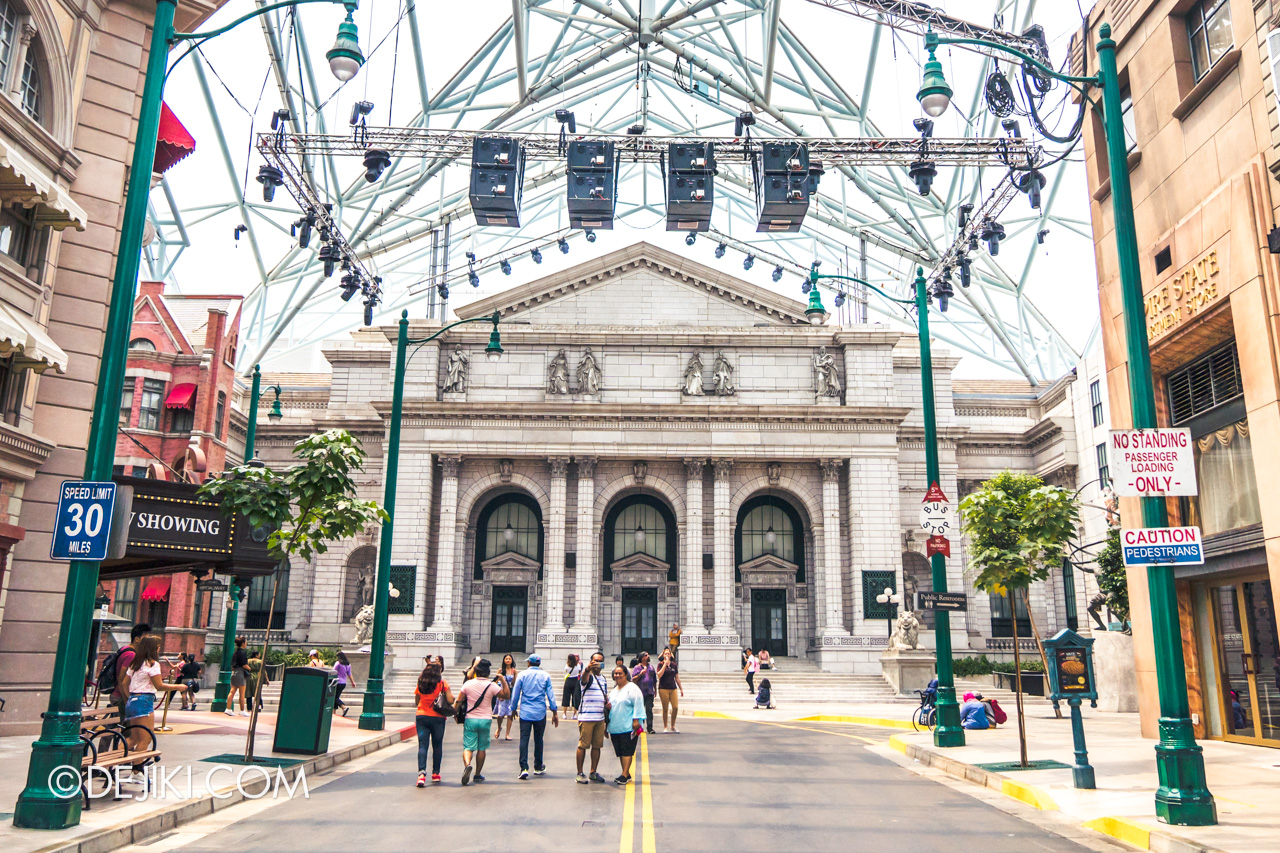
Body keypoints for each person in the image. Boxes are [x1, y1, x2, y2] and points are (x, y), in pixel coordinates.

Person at [123, 635, 186, 753]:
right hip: (144, 700)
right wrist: (178, 687)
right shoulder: (153, 664)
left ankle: (111, 764)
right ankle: (137, 769)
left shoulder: (135, 663)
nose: (158, 650)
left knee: (133, 738)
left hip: (132, 700)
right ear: (152, 649)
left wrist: (130, 697)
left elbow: (124, 682)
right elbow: (159, 686)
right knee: (146, 739)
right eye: (157, 647)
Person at [455, 659, 508, 785]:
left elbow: (458, 700)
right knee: (481, 748)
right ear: (488, 673)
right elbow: (506, 695)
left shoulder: (468, 684)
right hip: (485, 720)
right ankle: (477, 774)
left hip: (470, 718)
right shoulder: (492, 685)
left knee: (468, 747)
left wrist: (455, 712)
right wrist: (502, 680)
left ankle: (467, 765)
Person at [510, 653, 559, 779]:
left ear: (528, 663)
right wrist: (554, 711)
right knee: (539, 739)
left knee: (524, 739)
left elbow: (515, 694)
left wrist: (513, 709)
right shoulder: (545, 676)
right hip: (540, 712)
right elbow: (550, 695)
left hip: (526, 712)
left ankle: (524, 767)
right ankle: (538, 766)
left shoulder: (522, 675)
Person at [413, 661, 454, 786]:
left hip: (422, 716)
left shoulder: (421, 683)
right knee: (437, 745)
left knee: (422, 745)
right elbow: (450, 700)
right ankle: (435, 773)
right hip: (438, 717)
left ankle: (421, 774)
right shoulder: (442, 683)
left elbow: (416, 701)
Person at [575, 652, 611, 784]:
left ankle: (593, 772)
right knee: (583, 745)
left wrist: (607, 703)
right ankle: (579, 773)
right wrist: (587, 669)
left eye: (600, 661)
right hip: (587, 717)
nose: (597, 663)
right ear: (591, 662)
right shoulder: (588, 677)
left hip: (599, 717)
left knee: (597, 746)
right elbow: (583, 679)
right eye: (595, 661)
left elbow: (605, 696)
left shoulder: (603, 679)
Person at [606, 664, 645, 785]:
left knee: (627, 750)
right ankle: (626, 773)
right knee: (620, 752)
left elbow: (638, 704)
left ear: (626, 674)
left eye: (620, 673)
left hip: (628, 726)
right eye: (615, 674)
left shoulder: (632, 688)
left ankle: (624, 774)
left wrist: (636, 720)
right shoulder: (613, 691)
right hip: (615, 726)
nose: (617, 675)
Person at [106, 622, 151, 720]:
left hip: (118, 695)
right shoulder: (131, 655)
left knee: (118, 729)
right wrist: (127, 700)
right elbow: (122, 679)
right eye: (145, 638)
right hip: (121, 696)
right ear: (137, 639)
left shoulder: (124, 649)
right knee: (123, 729)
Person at [630, 651, 658, 734]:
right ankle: (640, 727)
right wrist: (640, 674)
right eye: (646, 655)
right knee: (640, 710)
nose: (648, 656)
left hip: (649, 692)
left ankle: (650, 727)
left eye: (648, 655)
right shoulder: (637, 668)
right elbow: (633, 680)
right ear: (642, 658)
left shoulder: (651, 667)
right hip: (640, 692)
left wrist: (655, 689)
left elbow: (654, 680)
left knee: (649, 710)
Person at [656, 648, 683, 733]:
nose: (667, 655)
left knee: (675, 707)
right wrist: (665, 665)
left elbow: (677, 678)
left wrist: (681, 688)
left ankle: (673, 725)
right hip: (663, 688)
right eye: (665, 654)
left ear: (671, 655)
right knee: (665, 708)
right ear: (663, 655)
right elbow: (659, 675)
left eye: (668, 654)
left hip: (673, 687)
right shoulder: (660, 664)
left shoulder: (674, 665)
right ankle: (665, 726)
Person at [493, 654, 518, 740]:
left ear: (512, 660)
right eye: (506, 659)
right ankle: (499, 727)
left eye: (509, 659)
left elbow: (514, 684)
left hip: (510, 693)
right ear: (504, 660)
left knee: (510, 714)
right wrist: (499, 693)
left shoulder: (513, 671)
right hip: (502, 693)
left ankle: (507, 733)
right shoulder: (500, 670)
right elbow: (495, 682)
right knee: (500, 715)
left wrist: (514, 676)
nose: (508, 660)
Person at [226, 636, 251, 717]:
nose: (246, 644)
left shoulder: (235, 653)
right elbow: (244, 664)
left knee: (232, 691)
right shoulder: (243, 653)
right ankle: (242, 710)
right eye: (246, 642)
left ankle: (228, 709)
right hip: (240, 673)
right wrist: (249, 668)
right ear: (243, 643)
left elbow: (232, 665)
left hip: (234, 673)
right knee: (242, 693)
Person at [562, 654, 583, 721]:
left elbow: (566, 671)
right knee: (575, 698)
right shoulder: (578, 665)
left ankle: (565, 714)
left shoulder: (567, 665)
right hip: (575, 681)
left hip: (568, 681)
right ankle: (574, 714)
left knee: (566, 697)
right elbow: (579, 671)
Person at [333, 651, 352, 716]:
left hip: (337, 682)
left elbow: (333, 671)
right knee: (336, 697)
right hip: (343, 683)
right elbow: (349, 674)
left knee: (334, 697)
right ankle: (334, 711)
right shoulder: (348, 664)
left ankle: (343, 707)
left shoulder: (338, 663)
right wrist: (353, 682)